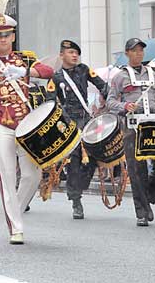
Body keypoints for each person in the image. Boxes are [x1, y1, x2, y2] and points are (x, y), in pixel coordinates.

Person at [0, 0, 54, 245]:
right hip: (0, 123)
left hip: (26, 124)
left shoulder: (25, 57)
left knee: (33, 175)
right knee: (6, 175)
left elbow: (48, 70)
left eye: (7, 34)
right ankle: (16, 227)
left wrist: (26, 71)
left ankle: (14, 208)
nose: (3, 39)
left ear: (13, 36)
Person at [46, 40, 108, 219]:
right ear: (62, 55)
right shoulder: (56, 78)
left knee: (95, 155)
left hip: (87, 119)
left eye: (76, 53)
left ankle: (79, 186)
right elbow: (50, 103)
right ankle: (76, 201)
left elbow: (102, 85)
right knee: (73, 162)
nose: (74, 56)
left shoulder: (84, 70)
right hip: (69, 122)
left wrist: (109, 99)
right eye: (71, 52)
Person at [106, 38, 155, 227]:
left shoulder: (152, 73)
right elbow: (110, 102)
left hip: (152, 124)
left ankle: (149, 193)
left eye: (141, 50)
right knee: (136, 170)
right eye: (134, 51)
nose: (139, 53)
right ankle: (142, 211)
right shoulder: (120, 76)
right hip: (132, 126)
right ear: (127, 53)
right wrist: (125, 106)